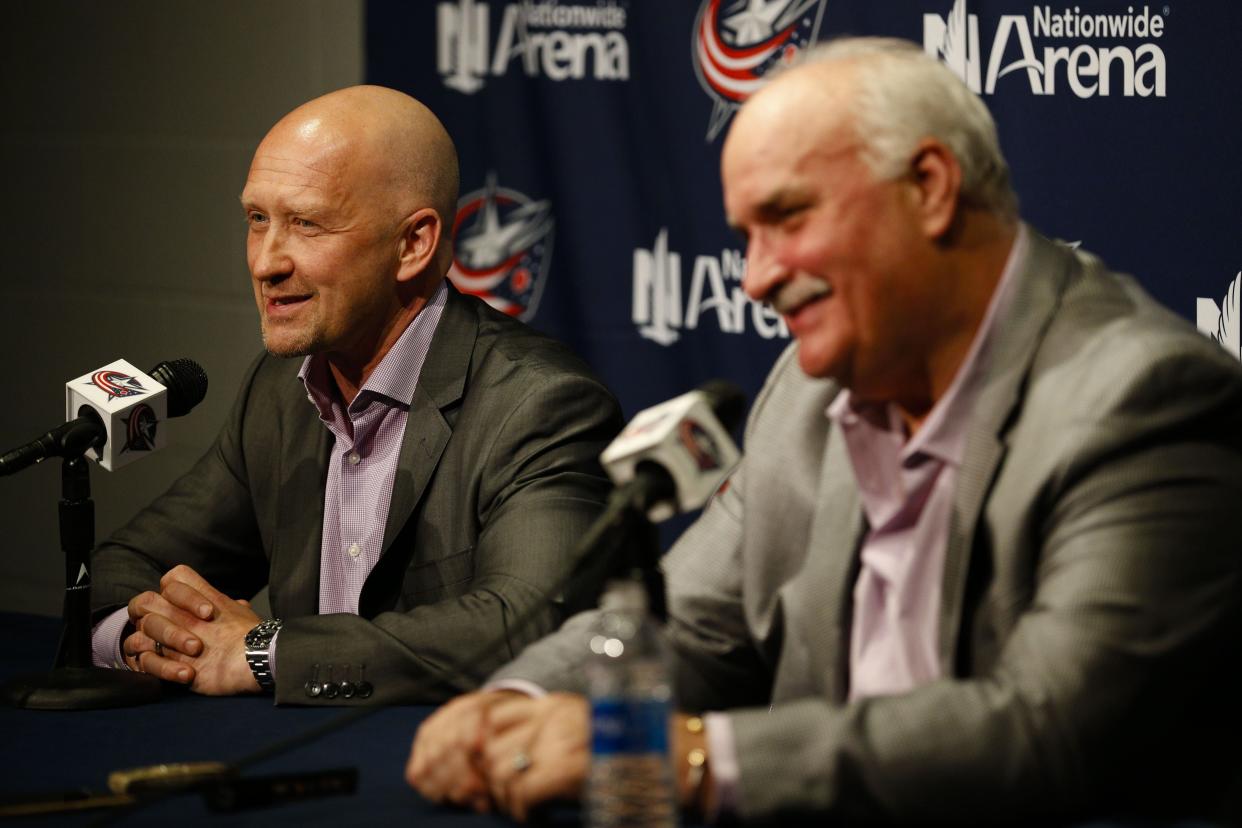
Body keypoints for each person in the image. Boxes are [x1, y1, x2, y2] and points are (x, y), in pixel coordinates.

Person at [405, 38, 1242, 823]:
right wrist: (514, 710)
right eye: (743, 237)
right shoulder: (811, 390)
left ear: (929, 188)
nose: (757, 278)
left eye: (788, 218)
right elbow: (691, 625)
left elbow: (1049, 727)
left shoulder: (1143, 398)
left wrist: (695, 758)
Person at [88, 85, 623, 706]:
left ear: (413, 244)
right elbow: (126, 562)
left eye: (307, 223)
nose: (265, 262)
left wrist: (264, 652)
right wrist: (143, 634)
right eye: (257, 219)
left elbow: (527, 626)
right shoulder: (279, 390)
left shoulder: (540, 403)